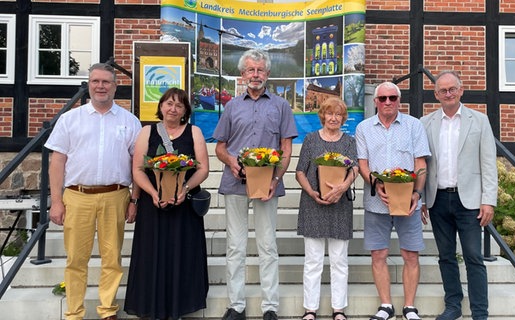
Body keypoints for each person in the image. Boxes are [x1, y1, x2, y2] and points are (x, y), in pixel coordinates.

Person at [45, 63, 142, 320]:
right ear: (88, 85)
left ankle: (107, 309)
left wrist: (134, 199)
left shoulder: (129, 121)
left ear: (115, 86)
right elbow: (57, 162)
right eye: (96, 81)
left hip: (116, 196)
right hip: (77, 197)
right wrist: (56, 201)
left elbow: (137, 164)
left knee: (112, 258)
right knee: (76, 259)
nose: (101, 86)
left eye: (106, 82)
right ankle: (74, 312)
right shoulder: (69, 119)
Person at [213, 49, 298, 320]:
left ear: (268, 74)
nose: (255, 75)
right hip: (234, 182)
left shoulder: (281, 106)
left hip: (267, 186)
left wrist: (276, 178)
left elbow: (286, 148)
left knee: (267, 245)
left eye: (260, 70)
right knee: (235, 246)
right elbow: (220, 147)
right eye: (250, 70)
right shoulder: (231, 107)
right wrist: (231, 161)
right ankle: (236, 305)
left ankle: (270, 306)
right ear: (242, 74)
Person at [124, 87, 210, 319]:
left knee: (181, 254)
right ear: (161, 107)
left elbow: (203, 168)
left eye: (179, 105)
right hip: (154, 206)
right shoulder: (147, 132)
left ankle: (178, 306)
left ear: (185, 111)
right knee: (152, 254)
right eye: (169, 103)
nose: (173, 108)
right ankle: (153, 306)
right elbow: (138, 169)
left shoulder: (195, 132)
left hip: (184, 206)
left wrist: (184, 189)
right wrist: (152, 193)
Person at [420, 70, 497, 320]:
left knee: (474, 256)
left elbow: (488, 163)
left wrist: (488, 200)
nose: (448, 94)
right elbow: (422, 165)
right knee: (445, 256)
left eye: (452, 89)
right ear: (436, 94)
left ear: (461, 90)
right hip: (438, 199)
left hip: (471, 201)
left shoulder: (479, 120)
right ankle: (453, 305)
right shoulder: (426, 123)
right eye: (443, 90)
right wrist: (420, 197)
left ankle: (479, 312)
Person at [355, 82, 430, 320]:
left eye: (392, 98)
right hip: (377, 202)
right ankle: (385, 305)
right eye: (383, 98)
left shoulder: (414, 126)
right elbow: (363, 165)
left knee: (411, 254)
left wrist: (417, 194)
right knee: (378, 254)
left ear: (399, 101)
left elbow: (421, 165)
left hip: (408, 203)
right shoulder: (364, 128)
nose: (388, 102)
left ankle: (409, 307)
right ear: (375, 101)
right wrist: (375, 184)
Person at [295, 97, 359, 320]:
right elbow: (300, 171)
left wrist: (343, 187)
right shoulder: (311, 140)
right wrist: (312, 192)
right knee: (313, 261)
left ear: (343, 118)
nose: (333, 118)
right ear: (322, 116)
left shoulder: (349, 142)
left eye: (338, 115)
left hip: (339, 206)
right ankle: (310, 309)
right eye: (330, 114)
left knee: (339, 260)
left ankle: (338, 309)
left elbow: (355, 169)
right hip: (313, 204)